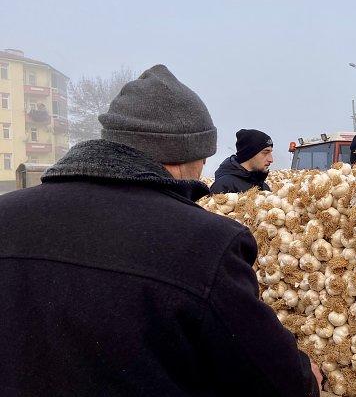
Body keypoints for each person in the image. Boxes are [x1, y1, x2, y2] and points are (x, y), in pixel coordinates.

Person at [0, 65, 321, 397]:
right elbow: (275, 384)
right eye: (203, 158)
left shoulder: (5, 216)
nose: (204, 170)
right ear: (184, 155)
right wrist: (306, 377)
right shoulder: (206, 243)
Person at [211, 129, 273, 194]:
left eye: (270, 153)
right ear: (249, 153)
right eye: (265, 153)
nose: (271, 159)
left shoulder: (265, 187)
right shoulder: (224, 186)